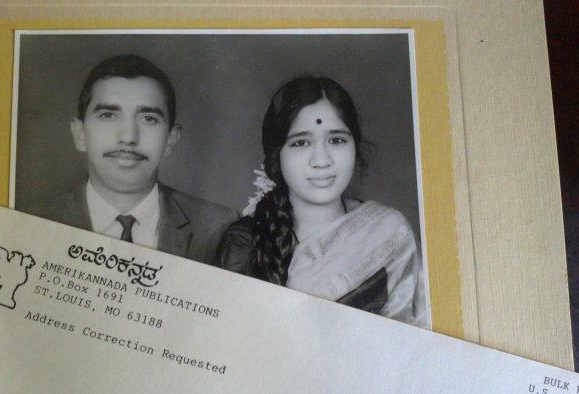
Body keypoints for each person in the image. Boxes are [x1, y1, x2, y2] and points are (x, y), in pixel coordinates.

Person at [216, 76, 427, 326]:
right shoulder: (244, 243)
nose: (321, 160)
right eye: (301, 143)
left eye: (336, 140)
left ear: (356, 147)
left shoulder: (389, 231)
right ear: (276, 155)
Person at [22, 55, 238, 264]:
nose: (128, 137)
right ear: (80, 133)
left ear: (171, 139)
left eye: (148, 118)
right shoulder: (29, 224)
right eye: (108, 115)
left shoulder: (220, 228)